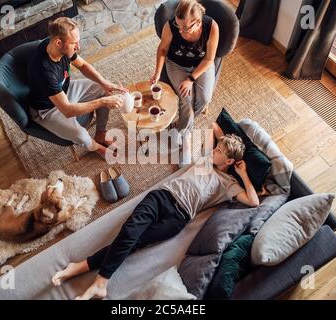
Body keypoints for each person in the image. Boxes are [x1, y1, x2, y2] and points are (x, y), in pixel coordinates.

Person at [51, 130, 259, 300]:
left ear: (230, 161)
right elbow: (213, 127)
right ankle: (100, 282)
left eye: (220, 151)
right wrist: (226, 142)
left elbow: (253, 201)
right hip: (162, 197)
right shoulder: (206, 159)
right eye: (217, 147)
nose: (214, 150)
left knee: (135, 241)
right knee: (130, 231)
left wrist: (243, 174)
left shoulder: (228, 184)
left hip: (179, 218)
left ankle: (80, 267)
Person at [27, 17, 126, 159]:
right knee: (81, 135)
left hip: (65, 90)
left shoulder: (60, 48)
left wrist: (104, 82)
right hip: (47, 109)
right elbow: (67, 110)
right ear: (58, 42)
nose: (78, 47)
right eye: (74, 43)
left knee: (104, 90)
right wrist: (103, 102)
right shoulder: (44, 70)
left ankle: (100, 134)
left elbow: (83, 66)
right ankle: (97, 147)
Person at [150, 0, 219, 165]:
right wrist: (158, 71)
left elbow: (210, 58)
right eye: (178, 25)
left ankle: (179, 128)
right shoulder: (171, 26)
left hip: (202, 64)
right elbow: (162, 49)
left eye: (185, 28)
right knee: (186, 100)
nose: (180, 31)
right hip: (176, 64)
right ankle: (186, 139)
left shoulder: (211, 27)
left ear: (198, 22)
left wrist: (191, 79)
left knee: (203, 98)